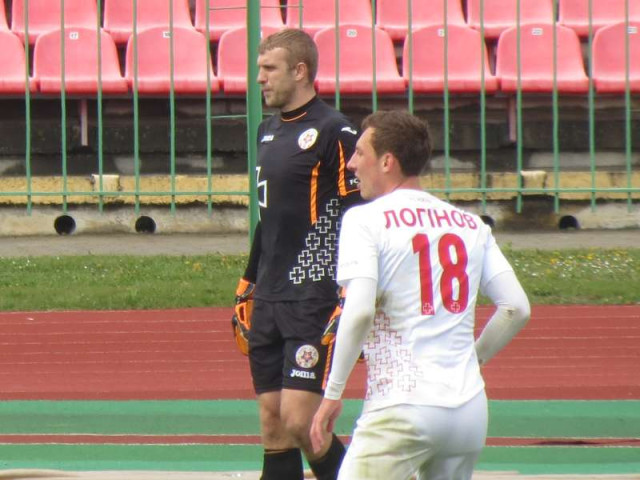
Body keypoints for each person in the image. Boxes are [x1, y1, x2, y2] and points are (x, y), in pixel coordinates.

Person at [310, 110, 531, 480]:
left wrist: (332, 392)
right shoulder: (471, 224)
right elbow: (516, 308)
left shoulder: (364, 220)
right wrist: (473, 360)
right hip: (468, 410)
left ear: (387, 161)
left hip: (402, 405)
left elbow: (360, 312)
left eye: (360, 153)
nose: (351, 164)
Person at [232, 28, 361, 480]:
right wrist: (249, 281)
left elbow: (357, 215)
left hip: (313, 296)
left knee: (301, 422)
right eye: (259, 69)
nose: (260, 78)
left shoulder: (334, 131)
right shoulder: (267, 131)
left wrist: (351, 288)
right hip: (269, 294)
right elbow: (268, 217)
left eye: (269, 69)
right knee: (272, 422)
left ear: (300, 71)